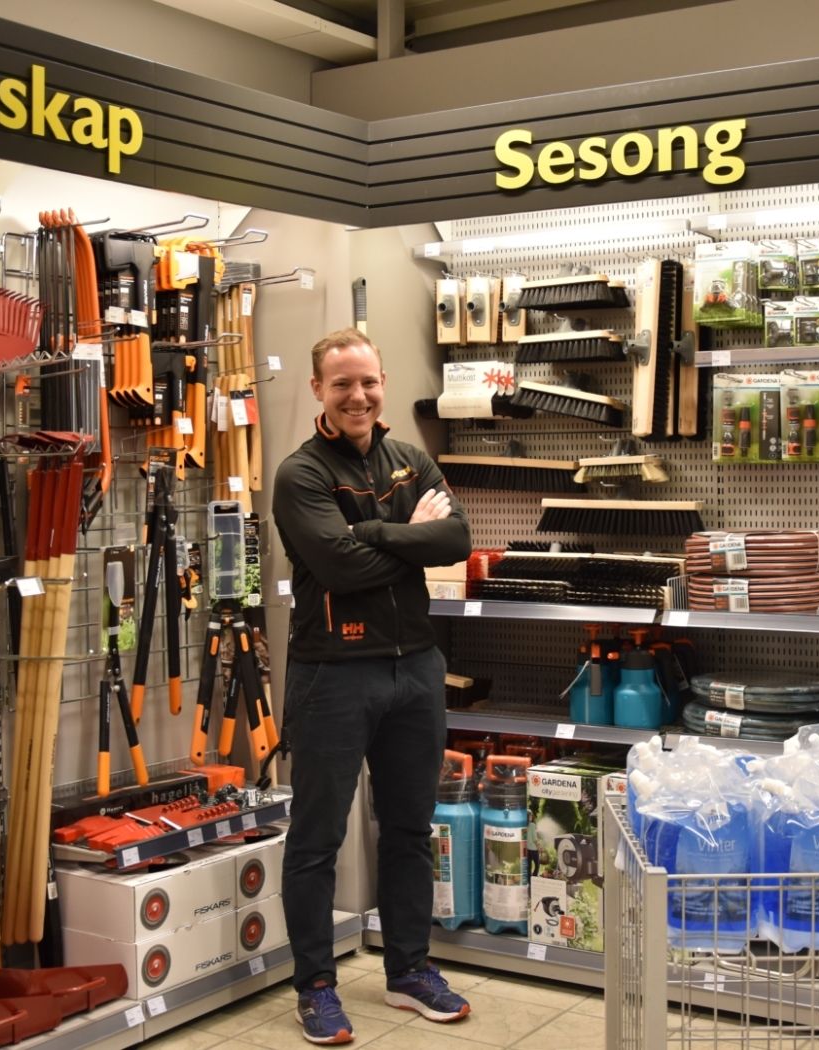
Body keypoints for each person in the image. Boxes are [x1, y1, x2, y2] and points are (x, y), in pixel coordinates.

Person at [274, 327, 473, 1044]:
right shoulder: (300, 474)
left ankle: (409, 970)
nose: (357, 396)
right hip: (332, 673)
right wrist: (407, 532)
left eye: (367, 382)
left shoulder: (410, 459)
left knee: (411, 829)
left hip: (415, 668)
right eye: (342, 385)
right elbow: (338, 568)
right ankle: (316, 987)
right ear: (318, 390)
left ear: (382, 383)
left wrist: (372, 533)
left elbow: (455, 541)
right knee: (317, 838)